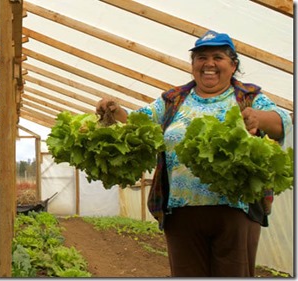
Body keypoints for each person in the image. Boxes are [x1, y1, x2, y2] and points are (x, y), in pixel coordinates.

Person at [95, 30, 292, 277]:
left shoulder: (247, 97)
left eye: (218, 57)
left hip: (235, 212)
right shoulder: (173, 100)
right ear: (193, 65)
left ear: (233, 65)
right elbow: (139, 122)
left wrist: (258, 118)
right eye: (201, 57)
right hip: (180, 211)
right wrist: (115, 109)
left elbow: (282, 122)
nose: (209, 64)